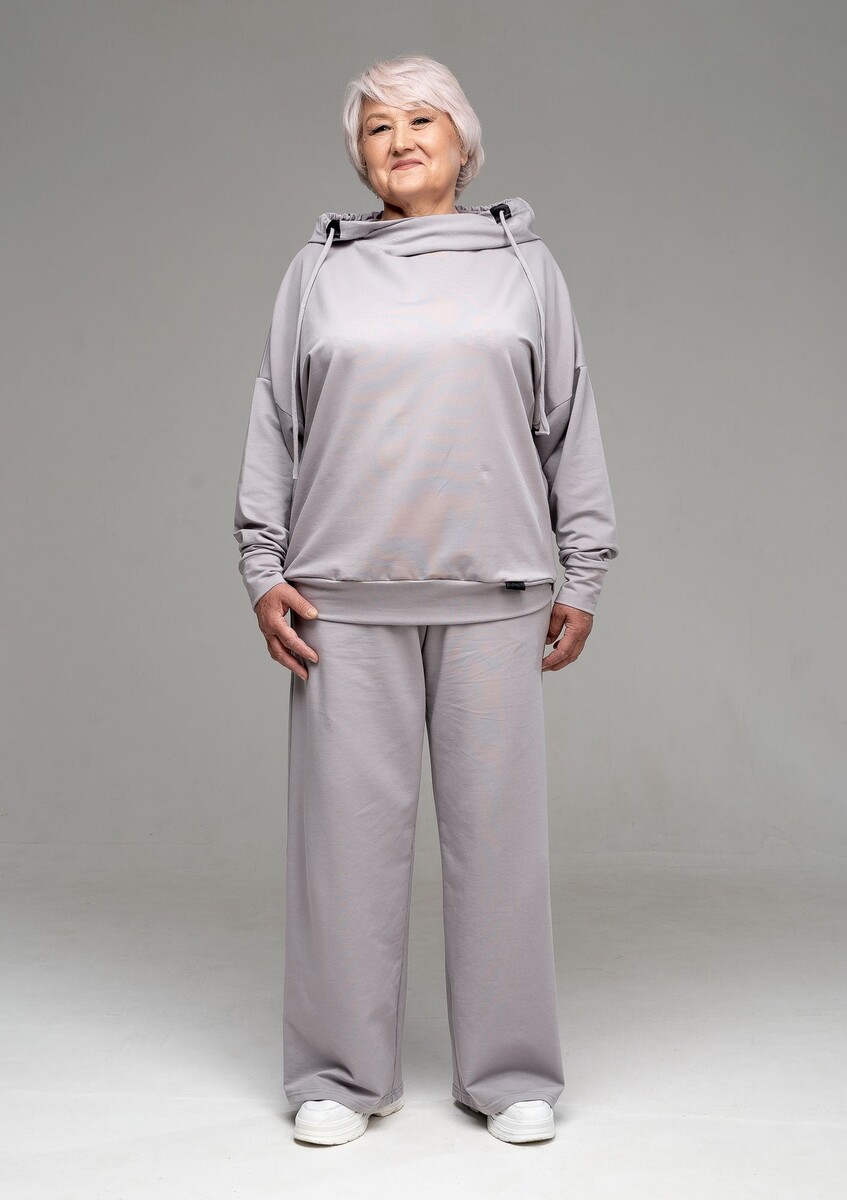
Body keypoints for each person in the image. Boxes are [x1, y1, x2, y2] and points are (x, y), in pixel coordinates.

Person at [233, 53, 619, 1146]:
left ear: (462, 141)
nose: (399, 141)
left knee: (499, 849)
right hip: (341, 601)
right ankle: (337, 1074)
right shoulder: (317, 272)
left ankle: (511, 1073)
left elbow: (568, 415)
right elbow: (275, 417)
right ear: (359, 156)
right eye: (377, 128)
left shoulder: (525, 267)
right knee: (343, 852)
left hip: (494, 591)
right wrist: (263, 564)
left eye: (421, 121)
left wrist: (584, 566)